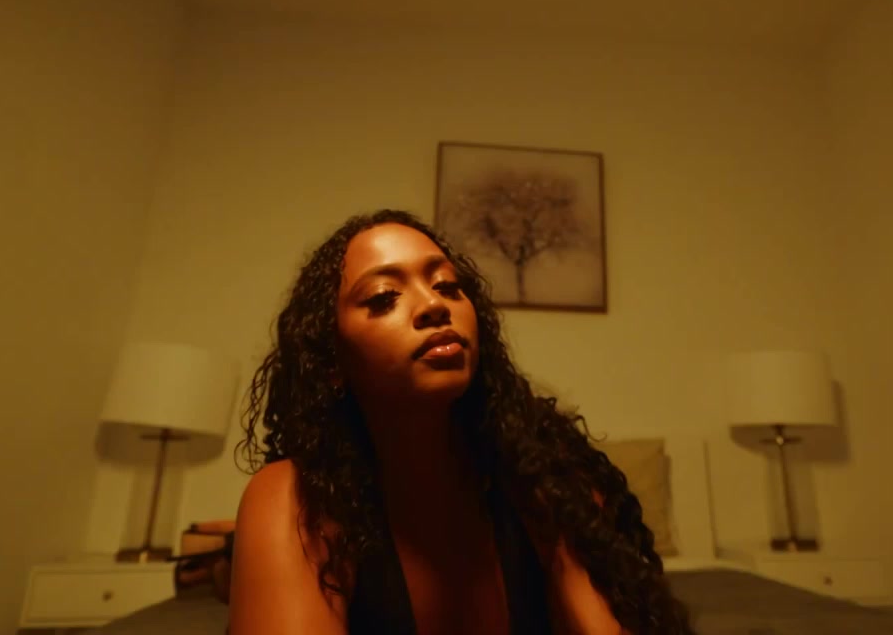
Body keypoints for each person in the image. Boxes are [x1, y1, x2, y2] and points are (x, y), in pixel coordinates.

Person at [230, 209, 693, 634]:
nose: (435, 305)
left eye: (448, 287)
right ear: (331, 362)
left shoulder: (547, 485)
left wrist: (563, 552)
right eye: (384, 296)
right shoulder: (296, 500)